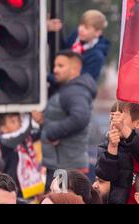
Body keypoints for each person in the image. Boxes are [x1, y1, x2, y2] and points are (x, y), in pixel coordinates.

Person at [32, 50, 97, 190]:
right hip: (61, 165)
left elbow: (80, 118)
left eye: (61, 66)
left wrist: (51, 133)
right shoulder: (70, 89)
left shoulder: (75, 91)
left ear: (75, 69)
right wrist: (44, 122)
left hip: (65, 167)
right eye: (55, 66)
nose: (55, 70)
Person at [95, 101, 139, 204]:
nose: (115, 123)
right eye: (112, 118)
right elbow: (105, 175)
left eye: (120, 119)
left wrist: (125, 130)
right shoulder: (106, 145)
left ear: (138, 123)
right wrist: (112, 147)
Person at [48, 9, 110, 82]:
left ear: (97, 33)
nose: (81, 29)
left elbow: (79, 80)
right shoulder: (76, 36)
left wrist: (47, 77)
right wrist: (52, 31)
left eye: (86, 28)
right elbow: (61, 50)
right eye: (81, 25)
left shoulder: (96, 56)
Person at [0, 113, 43, 200]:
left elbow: (42, 133)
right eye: (13, 121)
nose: (18, 123)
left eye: (19, 120)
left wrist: (41, 121)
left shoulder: (26, 138)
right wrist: (29, 113)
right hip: (14, 188)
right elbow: (24, 132)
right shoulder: (5, 141)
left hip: (31, 188)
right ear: (4, 128)